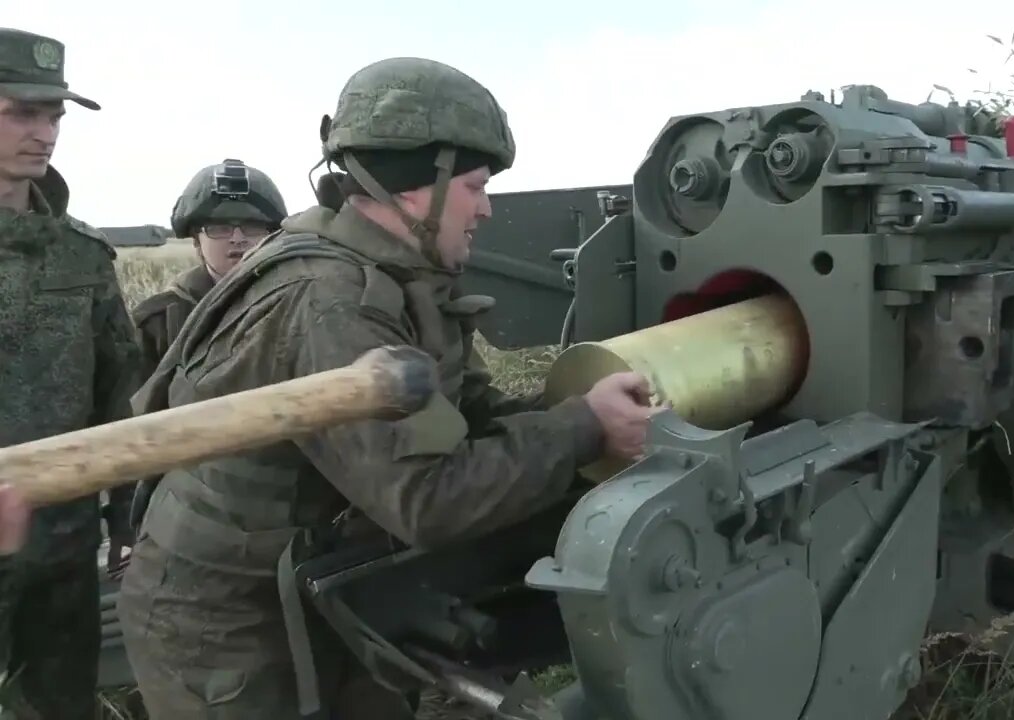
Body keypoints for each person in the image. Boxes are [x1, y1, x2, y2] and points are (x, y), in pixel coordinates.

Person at [117, 56, 656, 718]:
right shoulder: (331, 303)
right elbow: (429, 499)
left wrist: (583, 416)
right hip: (222, 636)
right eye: (476, 186)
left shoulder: (397, 277)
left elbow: (467, 417)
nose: (487, 208)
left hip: (311, 595)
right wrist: (582, 428)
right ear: (414, 188)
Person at [0, 27, 141, 719]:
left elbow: (119, 396)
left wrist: (125, 514)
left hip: (63, 545)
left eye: (53, 115)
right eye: (22, 112)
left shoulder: (82, 255)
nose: (44, 131)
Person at [126, 159, 288, 534]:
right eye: (218, 227)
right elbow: (126, 431)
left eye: (252, 226)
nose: (237, 238)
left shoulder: (294, 305)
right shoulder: (160, 321)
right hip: (184, 514)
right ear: (196, 240)